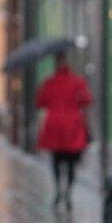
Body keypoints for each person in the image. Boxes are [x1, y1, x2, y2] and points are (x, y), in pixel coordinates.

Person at [36, 53, 92, 209]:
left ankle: (57, 190)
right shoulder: (77, 81)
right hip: (72, 125)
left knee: (56, 159)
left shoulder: (49, 82)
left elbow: (40, 102)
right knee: (71, 161)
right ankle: (67, 192)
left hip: (54, 125)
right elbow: (87, 100)